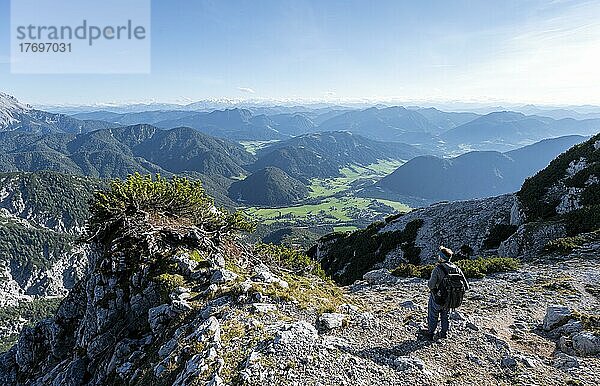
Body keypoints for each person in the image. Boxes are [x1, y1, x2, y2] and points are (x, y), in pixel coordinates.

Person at [421, 246, 469, 341]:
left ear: (441, 257)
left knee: (433, 315)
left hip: (438, 298)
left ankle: (430, 333)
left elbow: (431, 285)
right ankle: (444, 334)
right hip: (450, 299)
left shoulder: (438, 269)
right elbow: (466, 286)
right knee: (445, 315)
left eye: (439, 256)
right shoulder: (457, 269)